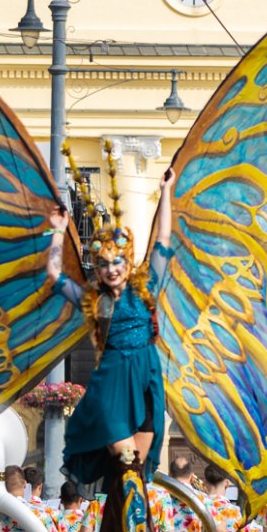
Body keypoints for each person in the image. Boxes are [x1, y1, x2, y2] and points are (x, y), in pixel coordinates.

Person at [47, 170, 174, 481]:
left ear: (128, 264)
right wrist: (59, 231)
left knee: (135, 472)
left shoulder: (146, 290)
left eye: (117, 262)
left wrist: (165, 190)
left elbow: (163, 239)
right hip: (114, 379)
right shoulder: (94, 300)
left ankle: (130, 523)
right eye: (103, 264)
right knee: (125, 457)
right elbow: (53, 272)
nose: (110, 269)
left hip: (147, 374)